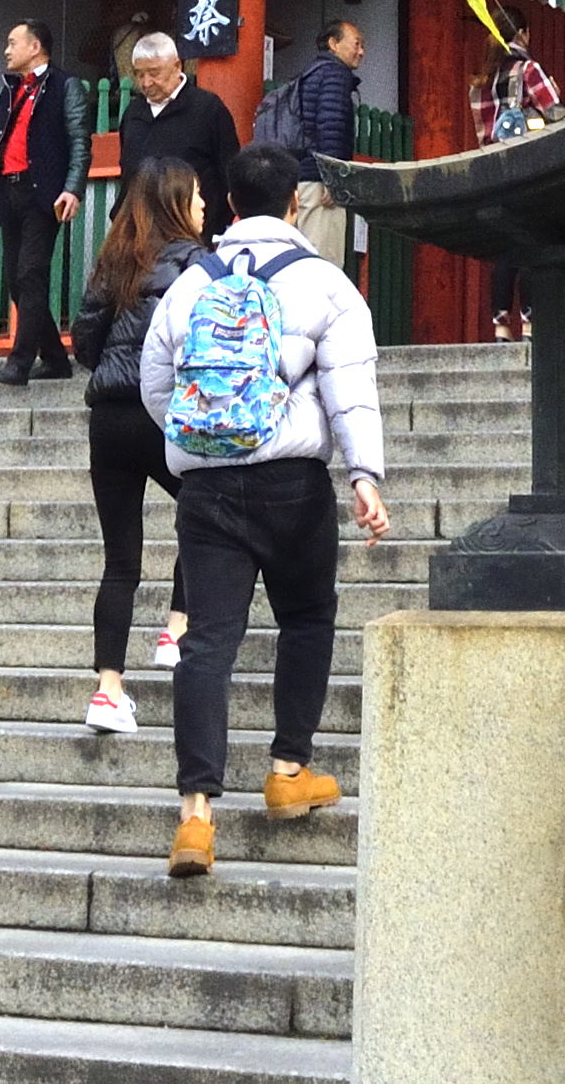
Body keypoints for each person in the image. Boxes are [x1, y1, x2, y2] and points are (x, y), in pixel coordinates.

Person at [138, 144, 391, 878]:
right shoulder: (325, 283)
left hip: (207, 487)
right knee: (306, 619)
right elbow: (351, 387)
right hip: (292, 481)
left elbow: (159, 385)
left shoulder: (191, 283)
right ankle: (287, 771)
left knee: (206, 644)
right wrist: (364, 475)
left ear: (225, 203)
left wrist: (203, 440)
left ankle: (195, 819)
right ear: (293, 205)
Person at [64, 158, 210, 736]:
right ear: (178, 202)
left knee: (120, 561)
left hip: (109, 417)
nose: (205, 205)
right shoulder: (199, 264)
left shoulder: (112, 260)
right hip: (164, 408)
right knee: (203, 510)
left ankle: (108, 691)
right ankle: (175, 628)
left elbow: (85, 341)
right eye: (198, 194)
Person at [0, 24, 87, 388]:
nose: (6, 50)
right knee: (15, 281)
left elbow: (80, 141)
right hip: (10, 190)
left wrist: (73, 189)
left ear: (35, 46)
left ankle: (19, 363)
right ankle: (54, 357)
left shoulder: (65, 86)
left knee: (30, 274)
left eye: (12, 43)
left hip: (44, 193)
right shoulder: (11, 90)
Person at [110, 27, 240, 237]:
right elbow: (127, 171)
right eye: (139, 74)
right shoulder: (134, 113)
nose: (146, 83)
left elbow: (228, 170)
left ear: (177, 66)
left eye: (154, 73)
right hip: (141, 232)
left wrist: (215, 224)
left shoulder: (207, 108)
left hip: (194, 230)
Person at [283, 20, 367, 262]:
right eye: (356, 43)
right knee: (322, 264)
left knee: (297, 262)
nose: (361, 51)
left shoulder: (311, 73)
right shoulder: (335, 74)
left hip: (301, 180)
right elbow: (331, 124)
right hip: (320, 184)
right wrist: (333, 178)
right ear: (333, 44)